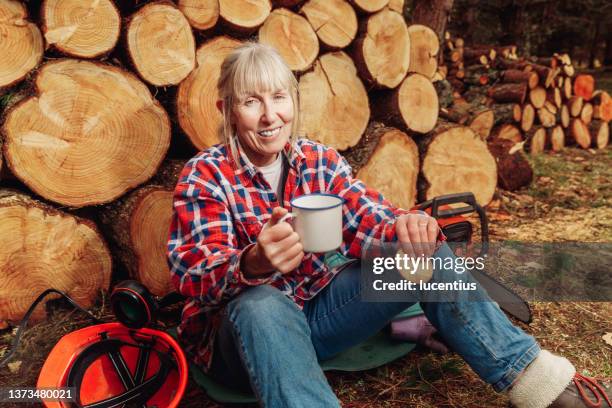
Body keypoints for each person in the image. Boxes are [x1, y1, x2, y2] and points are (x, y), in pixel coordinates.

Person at [167, 43, 610, 408]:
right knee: (259, 302)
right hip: (244, 345)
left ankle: (538, 384)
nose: (270, 116)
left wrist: (406, 226)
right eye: (251, 102)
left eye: (279, 97)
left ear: (293, 100)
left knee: (423, 257)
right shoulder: (205, 176)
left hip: (321, 320)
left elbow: (368, 217)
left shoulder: (317, 160)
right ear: (227, 108)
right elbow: (191, 277)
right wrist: (254, 262)